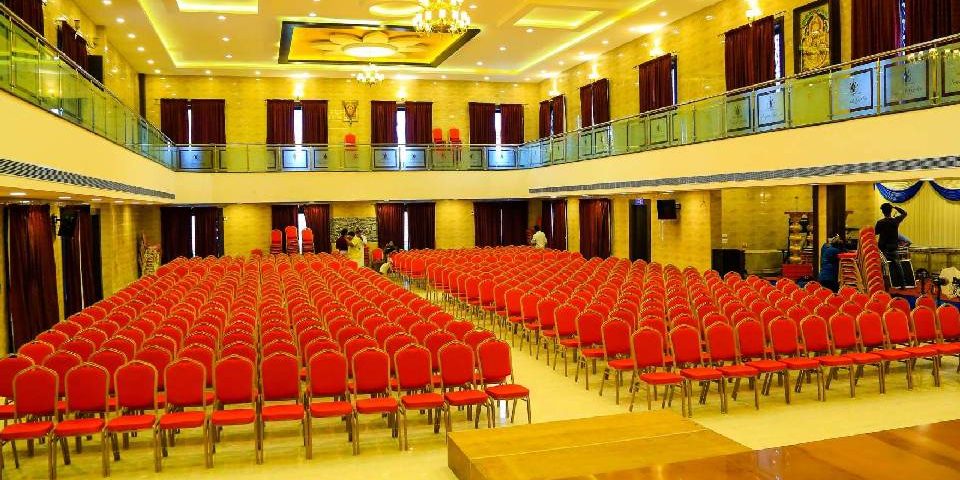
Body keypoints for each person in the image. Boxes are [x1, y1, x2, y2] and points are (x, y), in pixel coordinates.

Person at [876, 203, 909, 289]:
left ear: (883, 212)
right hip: (893, 247)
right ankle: (903, 284)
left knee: (882, 266)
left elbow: (875, 232)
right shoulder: (895, 221)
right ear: (891, 211)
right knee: (898, 265)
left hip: (883, 248)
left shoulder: (880, 222)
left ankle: (883, 285)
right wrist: (895, 207)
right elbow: (904, 213)